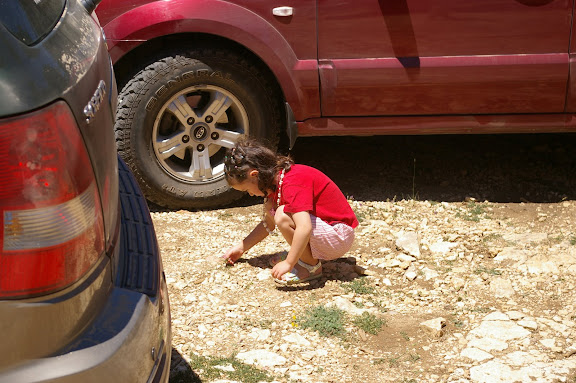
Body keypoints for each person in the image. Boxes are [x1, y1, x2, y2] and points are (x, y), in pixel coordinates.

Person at [221, 138, 359, 285]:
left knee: (282, 215)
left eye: (247, 189)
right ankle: (304, 257)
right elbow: (268, 224)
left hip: (338, 236)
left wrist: (289, 262)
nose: (250, 194)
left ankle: (310, 266)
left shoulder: (291, 182)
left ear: (254, 175)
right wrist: (241, 248)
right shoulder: (276, 183)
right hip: (327, 231)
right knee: (276, 212)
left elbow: (304, 227)